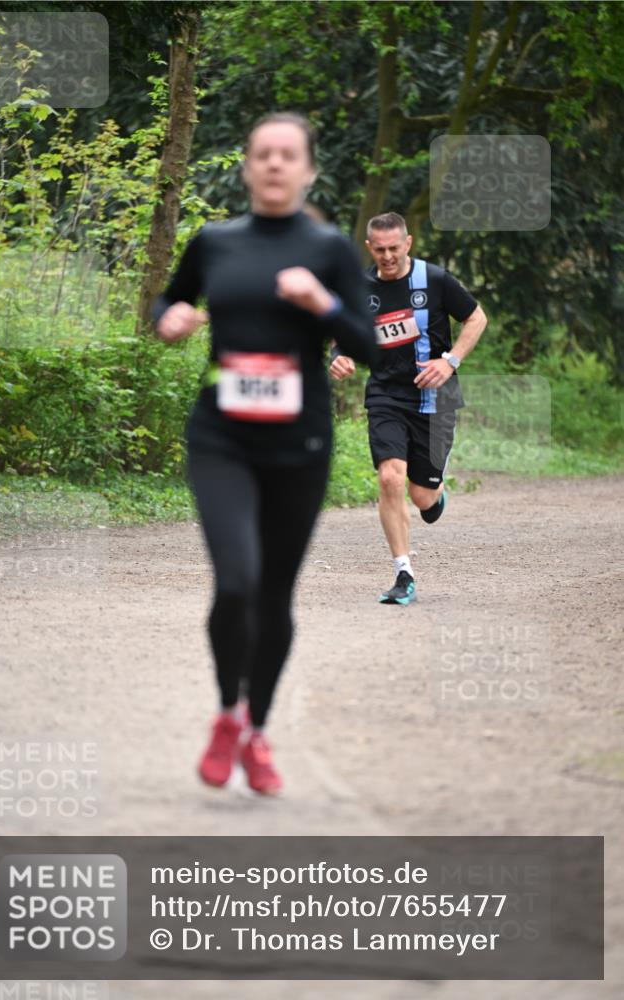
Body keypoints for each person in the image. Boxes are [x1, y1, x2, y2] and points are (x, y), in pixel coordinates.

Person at [154, 113, 377, 794]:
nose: (274, 164)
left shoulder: (329, 247)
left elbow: (369, 347)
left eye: (288, 155)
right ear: (247, 167)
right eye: (262, 154)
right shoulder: (215, 242)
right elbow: (171, 299)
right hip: (221, 434)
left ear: (308, 170)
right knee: (237, 582)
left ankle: (256, 729)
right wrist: (172, 319)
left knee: (275, 594)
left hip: (299, 442)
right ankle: (226, 712)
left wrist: (324, 306)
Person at [330, 211, 487, 605]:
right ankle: (404, 573)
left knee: (422, 499)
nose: (387, 256)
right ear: (370, 247)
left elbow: (476, 317)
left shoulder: (434, 280)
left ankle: (435, 494)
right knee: (389, 479)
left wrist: (449, 360)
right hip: (385, 395)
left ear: (408, 243)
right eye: (379, 249)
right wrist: (339, 356)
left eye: (394, 248)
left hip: (437, 398)